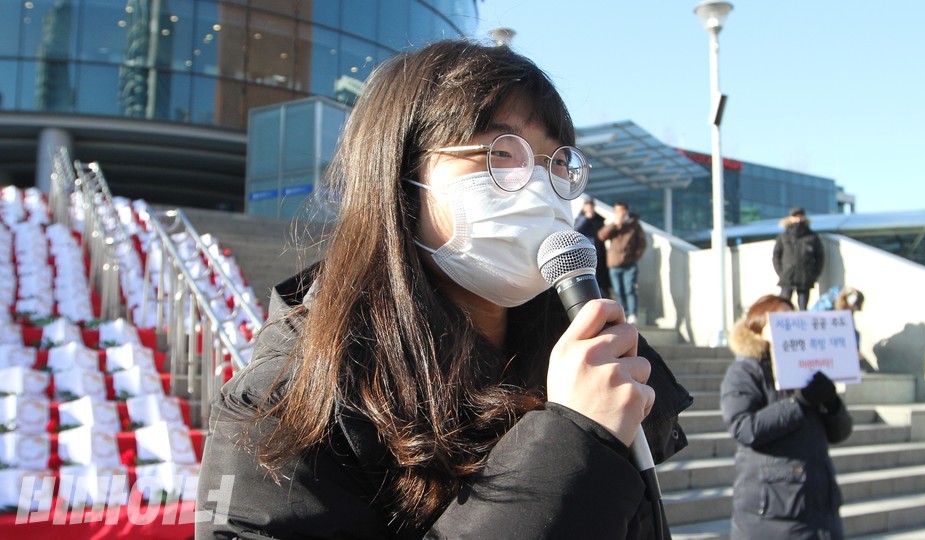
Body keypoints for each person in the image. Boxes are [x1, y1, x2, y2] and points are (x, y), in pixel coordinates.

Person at [196, 40, 692, 539]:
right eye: (502, 152)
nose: (539, 187)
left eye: (556, 163)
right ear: (400, 175)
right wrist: (573, 441)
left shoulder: (571, 353)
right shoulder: (284, 402)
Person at [721, 294, 853, 539]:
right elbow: (744, 428)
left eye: (793, 319)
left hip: (820, 505)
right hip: (774, 510)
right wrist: (799, 404)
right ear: (759, 329)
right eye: (781, 320)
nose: (790, 326)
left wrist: (832, 404)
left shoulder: (808, 369)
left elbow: (841, 432)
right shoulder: (745, 371)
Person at [598, 201, 647, 326]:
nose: (619, 214)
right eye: (617, 211)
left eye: (621, 211)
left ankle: (632, 314)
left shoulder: (634, 224)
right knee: (618, 290)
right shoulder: (612, 223)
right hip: (614, 264)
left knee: (630, 289)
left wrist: (634, 257)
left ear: (626, 211)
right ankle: (623, 314)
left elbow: (642, 243)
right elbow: (602, 236)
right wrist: (614, 224)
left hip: (629, 263)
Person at [773, 207, 824, 310]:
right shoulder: (783, 236)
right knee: (783, 305)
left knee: (803, 307)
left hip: (805, 278)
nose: (798, 219)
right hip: (787, 276)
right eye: (795, 216)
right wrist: (781, 273)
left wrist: (814, 275)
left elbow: (820, 257)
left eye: (800, 216)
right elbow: (776, 256)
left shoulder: (812, 236)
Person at [574, 194, 611, 296]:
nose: (590, 207)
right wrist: (586, 218)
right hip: (586, 254)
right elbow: (576, 230)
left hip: (600, 254)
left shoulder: (599, 220)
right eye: (588, 205)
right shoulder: (581, 219)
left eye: (591, 205)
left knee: (602, 279)